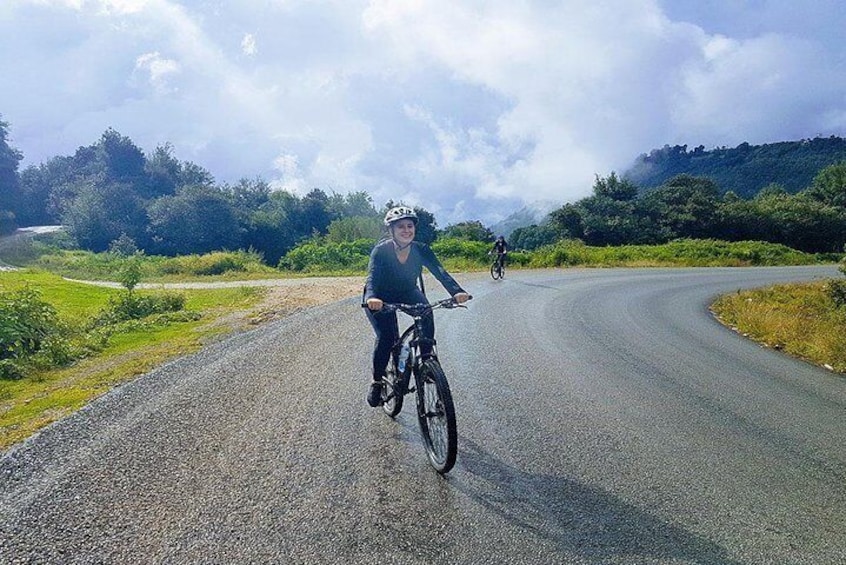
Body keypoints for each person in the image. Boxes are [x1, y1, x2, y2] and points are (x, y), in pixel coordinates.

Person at [363, 206, 471, 407]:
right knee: (387, 337)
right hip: (380, 296)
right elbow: (372, 279)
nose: (406, 230)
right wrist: (371, 298)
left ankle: (427, 360)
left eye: (409, 226)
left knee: (426, 311)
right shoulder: (381, 251)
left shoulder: (421, 250)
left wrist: (456, 291)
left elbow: (441, 272)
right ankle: (377, 381)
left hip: (407, 291)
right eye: (401, 227)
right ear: (391, 231)